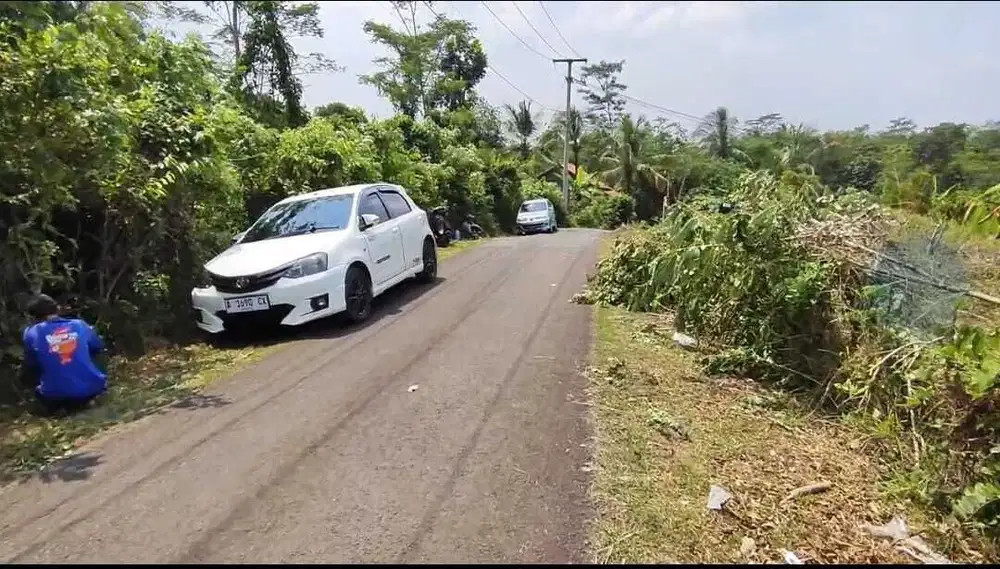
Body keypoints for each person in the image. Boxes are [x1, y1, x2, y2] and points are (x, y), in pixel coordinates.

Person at [20, 294, 108, 415]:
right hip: (93, 389)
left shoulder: (31, 333)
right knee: (94, 350)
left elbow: (31, 365)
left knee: (33, 368)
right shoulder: (80, 325)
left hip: (55, 395)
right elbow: (98, 346)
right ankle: (91, 389)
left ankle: (58, 406)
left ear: (33, 317)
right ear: (57, 308)